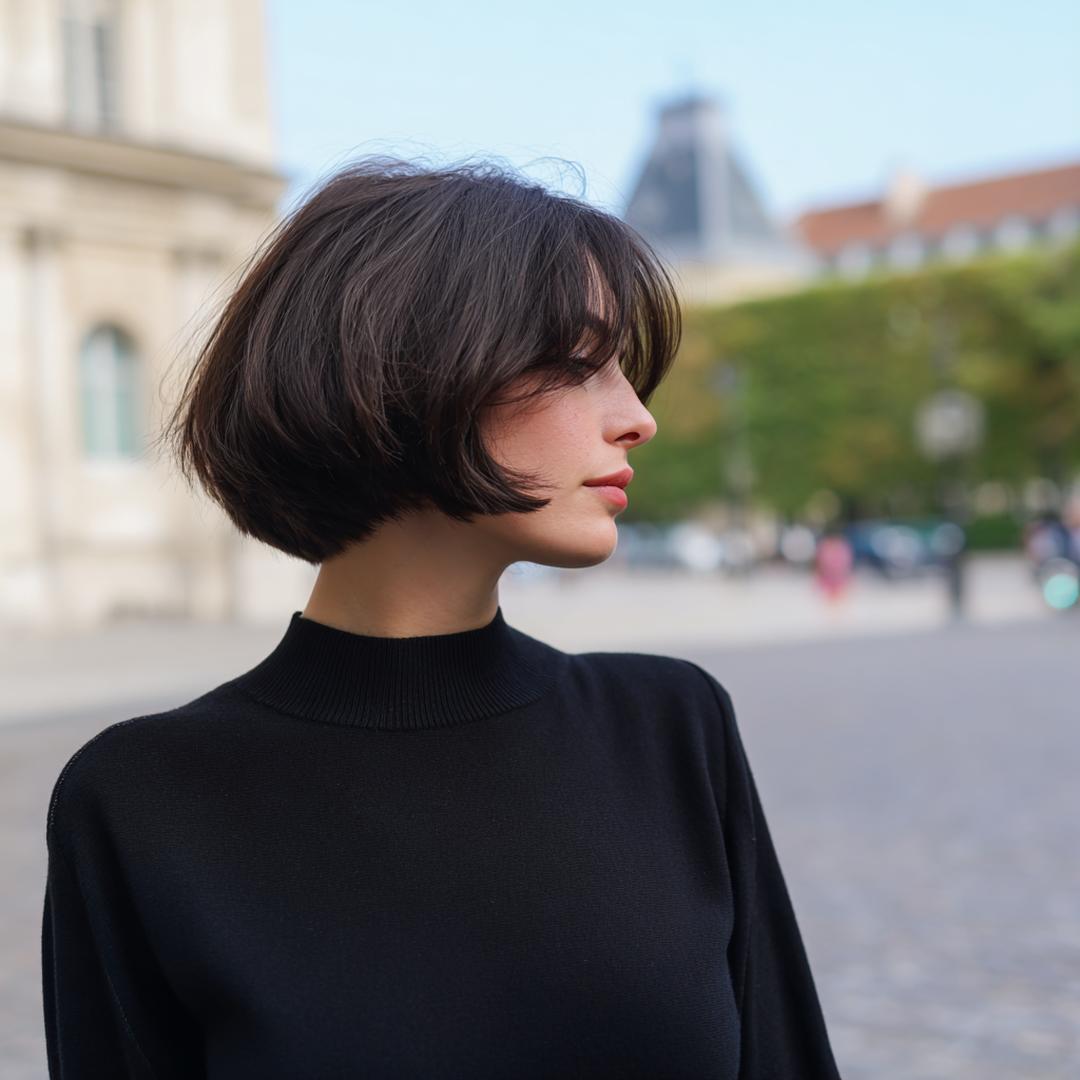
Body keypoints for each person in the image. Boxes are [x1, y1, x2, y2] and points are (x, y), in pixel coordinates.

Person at [41, 157, 842, 1079]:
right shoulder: (142, 799)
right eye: (579, 363)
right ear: (396, 374)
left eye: (625, 370)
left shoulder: (668, 728)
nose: (636, 417)